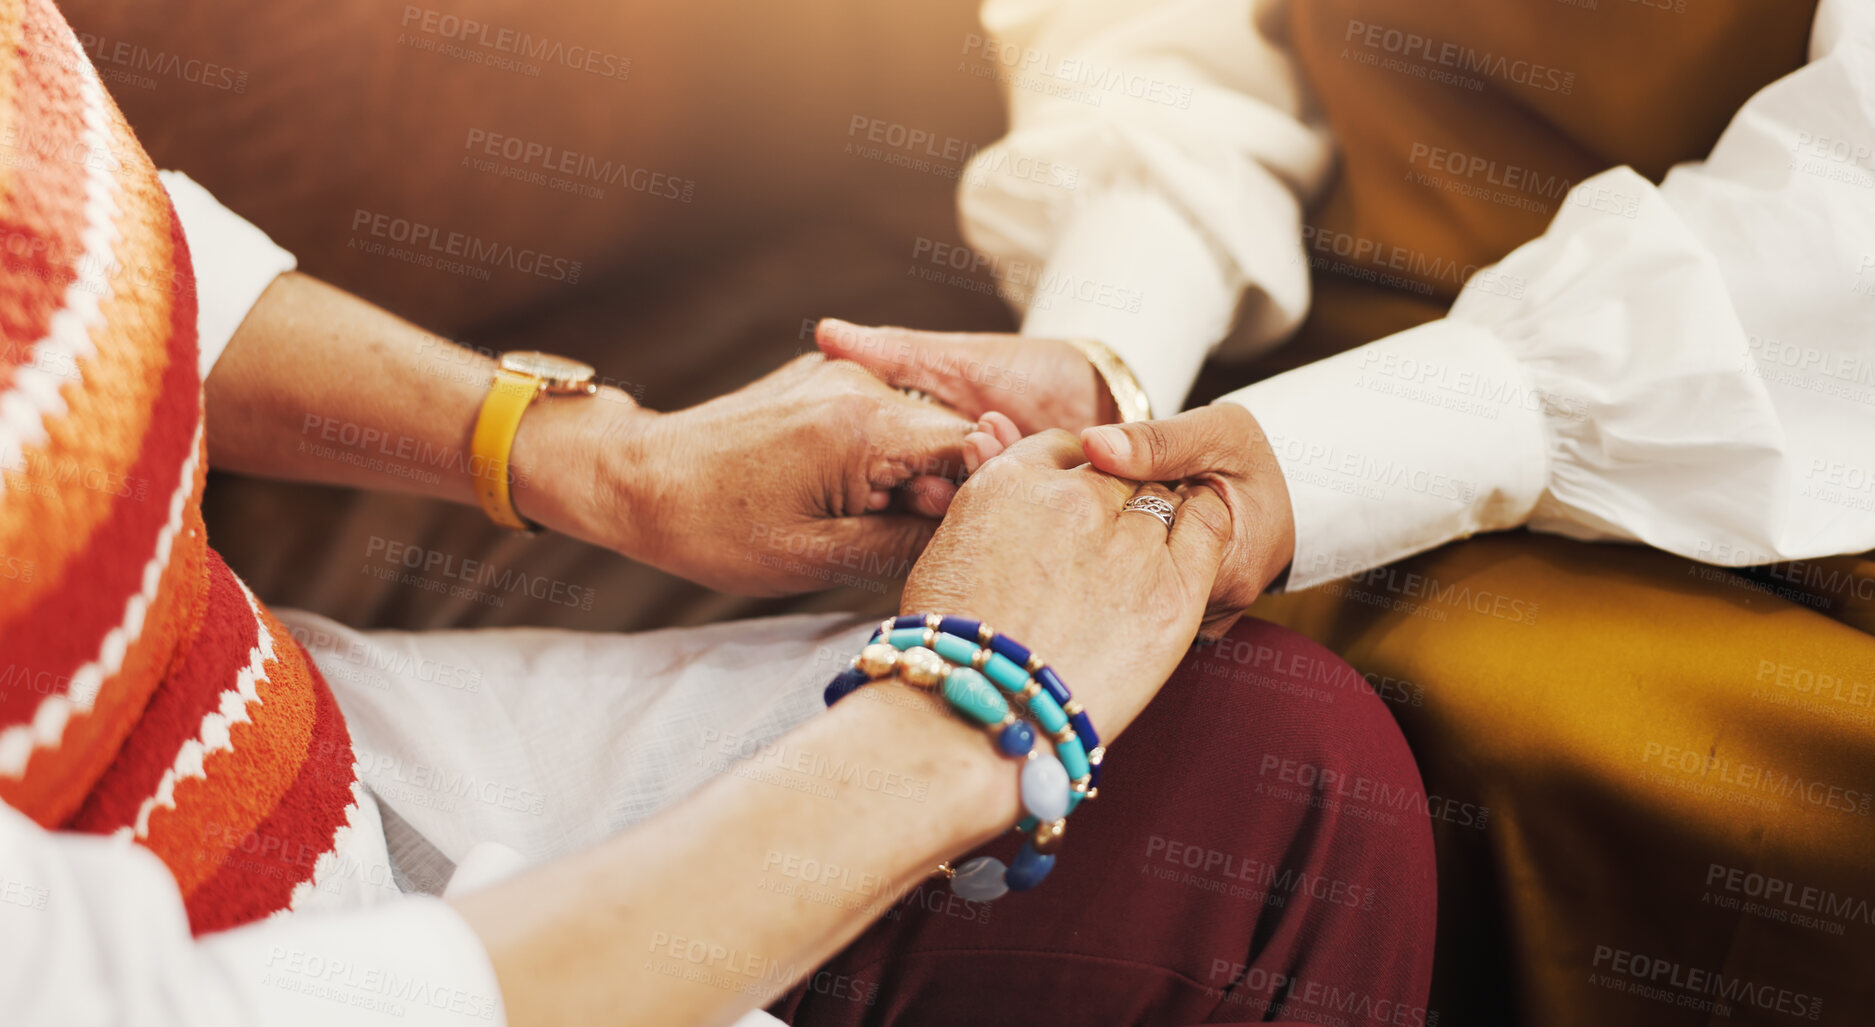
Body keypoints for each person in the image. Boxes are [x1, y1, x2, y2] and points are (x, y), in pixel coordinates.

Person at [0, 1, 1436, 1024]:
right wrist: (963, 719)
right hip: (287, 963)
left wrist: (607, 460)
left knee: (1263, 770)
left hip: (297, 726)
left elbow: (83, 221)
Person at [818, 0, 1875, 1022]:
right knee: (1391, 732)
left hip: (1872, 386)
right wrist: (1112, 350)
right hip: (1323, 371)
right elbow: (1165, 38)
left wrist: (1346, 450)